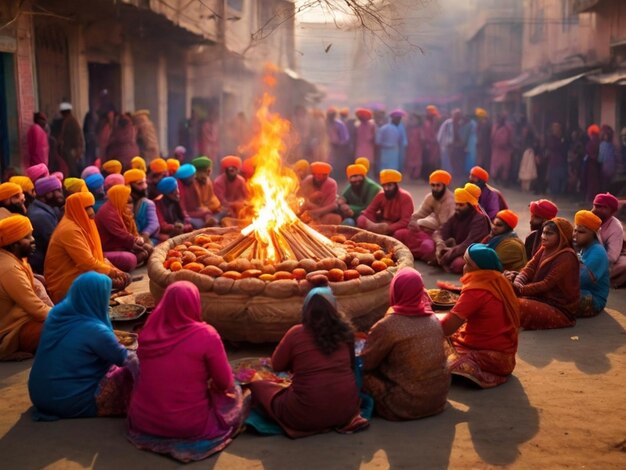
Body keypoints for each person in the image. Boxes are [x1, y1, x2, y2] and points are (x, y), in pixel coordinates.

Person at [127, 281, 248, 462]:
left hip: (143, 421)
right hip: (188, 425)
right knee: (236, 392)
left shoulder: (147, 332)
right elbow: (225, 383)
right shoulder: (206, 334)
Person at [248, 287, 363, 438]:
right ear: (334, 308)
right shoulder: (346, 333)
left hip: (304, 415)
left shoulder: (296, 333)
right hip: (346, 411)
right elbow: (351, 365)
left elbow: (276, 365)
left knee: (258, 386)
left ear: (306, 310)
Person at [28, 272, 136, 419]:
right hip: (71, 401)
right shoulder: (95, 330)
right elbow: (127, 359)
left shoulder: (55, 317)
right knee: (132, 374)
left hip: (40, 397)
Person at [361, 268, 450, 419]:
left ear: (395, 290)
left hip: (403, 405)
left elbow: (367, 362)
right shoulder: (434, 320)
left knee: (357, 370)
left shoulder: (388, 325)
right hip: (438, 399)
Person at [440, 244, 520, 388]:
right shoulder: (499, 280)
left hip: (490, 358)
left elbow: (447, 327)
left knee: (430, 348)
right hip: (507, 357)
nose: (463, 267)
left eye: (467, 264)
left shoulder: (476, 290)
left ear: (476, 268)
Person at [45, 192, 129, 303]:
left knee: (123, 277)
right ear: (76, 209)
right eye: (87, 208)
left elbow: (97, 257)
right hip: (64, 285)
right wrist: (114, 274)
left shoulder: (81, 224)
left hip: (80, 275)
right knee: (108, 280)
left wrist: (116, 271)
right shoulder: (69, 230)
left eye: (91, 207)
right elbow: (87, 263)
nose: (91, 212)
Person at [507, 217, 579, 330]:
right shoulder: (545, 248)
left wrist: (520, 289)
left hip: (558, 307)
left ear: (562, 237)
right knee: (505, 282)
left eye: (549, 234)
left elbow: (547, 283)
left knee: (514, 305)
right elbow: (530, 267)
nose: (543, 237)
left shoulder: (567, 256)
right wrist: (518, 281)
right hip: (537, 296)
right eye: (543, 233)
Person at [0, 215, 51, 360]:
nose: (33, 240)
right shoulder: (9, 268)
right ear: (13, 244)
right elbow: (35, 308)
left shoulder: (17, 260)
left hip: (23, 321)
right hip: (10, 332)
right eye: (27, 237)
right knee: (67, 330)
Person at [395, 170, 455, 262]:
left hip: (439, 236)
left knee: (427, 247)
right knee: (399, 234)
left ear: (444, 186)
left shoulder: (450, 202)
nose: (435, 188)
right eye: (433, 185)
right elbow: (420, 213)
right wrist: (412, 221)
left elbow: (446, 228)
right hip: (425, 231)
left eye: (438, 185)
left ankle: (426, 254)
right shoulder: (431, 197)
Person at [431, 183, 491, 273]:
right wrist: (440, 243)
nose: (457, 208)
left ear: (470, 205)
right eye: (457, 204)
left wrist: (449, 254)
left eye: (461, 205)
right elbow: (441, 231)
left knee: (458, 264)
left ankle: (444, 262)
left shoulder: (480, 218)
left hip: (473, 253)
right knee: (432, 249)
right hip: (459, 249)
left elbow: (469, 244)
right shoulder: (458, 214)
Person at [95, 185, 152, 272]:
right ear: (119, 197)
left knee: (148, 249)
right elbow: (120, 234)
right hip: (108, 249)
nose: (128, 199)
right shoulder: (107, 212)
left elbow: (128, 232)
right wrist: (134, 242)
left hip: (120, 245)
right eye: (126, 197)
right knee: (132, 259)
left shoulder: (118, 208)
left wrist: (136, 240)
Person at [573, 210, 609, 318]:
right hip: (581, 291)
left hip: (593, 299)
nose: (575, 235)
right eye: (575, 230)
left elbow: (580, 280)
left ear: (593, 234)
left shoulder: (597, 252)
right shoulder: (583, 247)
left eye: (581, 232)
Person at [357, 169, 414, 238]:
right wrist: (373, 225)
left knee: (399, 234)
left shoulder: (405, 197)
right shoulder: (381, 195)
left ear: (395, 185)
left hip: (397, 226)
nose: (386, 188)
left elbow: (405, 221)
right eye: (384, 186)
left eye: (389, 185)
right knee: (361, 219)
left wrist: (388, 228)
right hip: (381, 223)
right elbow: (369, 211)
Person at [27, 176, 64, 274]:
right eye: (58, 191)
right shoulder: (40, 216)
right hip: (42, 268)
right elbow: (55, 246)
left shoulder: (49, 209)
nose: (61, 195)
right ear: (47, 193)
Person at [591, 192, 626, 288]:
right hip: (584, 256)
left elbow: (612, 256)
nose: (598, 210)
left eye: (603, 207)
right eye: (596, 206)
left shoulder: (616, 226)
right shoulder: (585, 218)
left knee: (624, 266)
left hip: (606, 260)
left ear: (612, 211)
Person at [124, 169, 160, 244]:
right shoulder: (123, 203)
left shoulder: (148, 203)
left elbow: (154, 224)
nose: (144, 187)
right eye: (140, 184)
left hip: (148, 238)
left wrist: (144, 236)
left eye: (145, 182)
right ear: (129, 186)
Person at [154, 176, 193, 241]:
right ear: (166, 194)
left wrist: (185, 227)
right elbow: (162, 226)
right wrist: (175, 227)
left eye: (177, 188)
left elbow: (185, 218)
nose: (177, 192)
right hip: (167, 234)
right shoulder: (157, 204)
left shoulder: (176, 200)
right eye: (173, 191)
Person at [176, 163, 214, 228]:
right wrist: (187, 217)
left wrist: (201, 209)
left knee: (207, 212)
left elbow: (198, 202)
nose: (194, 177)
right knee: (200, 222)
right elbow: (182, 210)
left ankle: (208, 222)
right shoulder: (179, 188)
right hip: (186, 214)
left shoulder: (193, 183)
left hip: (194, 210)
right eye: (192, 176)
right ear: (186, 178)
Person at [213, 156, 250, 220]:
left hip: (238, 208)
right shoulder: (218, 182)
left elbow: (246, 196)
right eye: (230, 169)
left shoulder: (241, 180)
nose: (232, 171)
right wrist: (234, 205)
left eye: (234, 168)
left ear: (238, 169)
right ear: (225, 170)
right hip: (223, 209)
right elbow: (221, 202)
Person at [57, 102, 84, 177]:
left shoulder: (71, 121)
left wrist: (78, 149)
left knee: (73, 169)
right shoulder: (68, 121)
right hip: (69, 149)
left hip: (72, 149)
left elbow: (77, 136)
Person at [326, 107, 350, 179]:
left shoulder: (339, 124)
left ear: (334, 115)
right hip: (326, 147)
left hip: (337, 148)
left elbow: (345, 138)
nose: (330, 116)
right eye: (329, 115)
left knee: (336, 165)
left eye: (332, 115)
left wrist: (339, 144)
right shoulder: (325, 123)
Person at [490, 113, 513, 184]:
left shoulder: (507, 127)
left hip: (503, 149)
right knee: (498, 165)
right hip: (499, 149)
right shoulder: (497, 127)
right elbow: (492, 138)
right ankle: (497, 179)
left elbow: (511, 138)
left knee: (504, 166)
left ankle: (502, 180)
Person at [404, 113, 424, 180]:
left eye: (415, 119)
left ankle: (416, 176)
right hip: (410, 148)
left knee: (417, 163)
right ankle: (409, 176)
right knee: (409, 162)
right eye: (412, 119)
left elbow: (422, 138)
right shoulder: (408, 129)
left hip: (417, 148)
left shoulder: (420, 129)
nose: (413, 121)